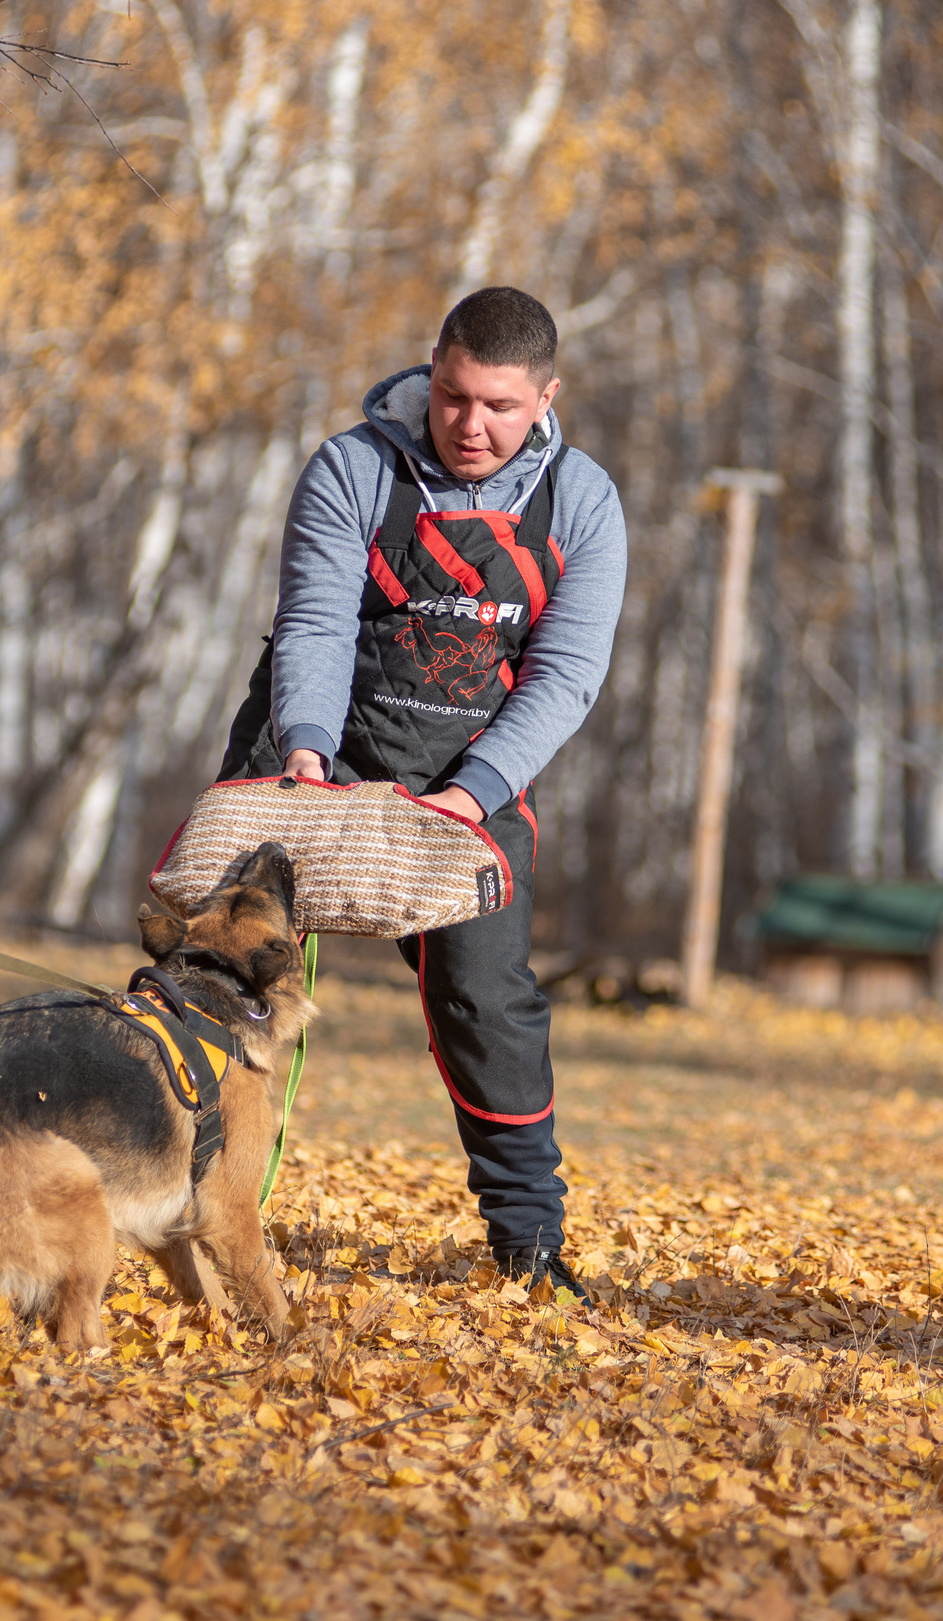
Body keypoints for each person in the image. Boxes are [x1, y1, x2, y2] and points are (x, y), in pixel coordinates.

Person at [217, 286, 627, 1301]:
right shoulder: (354, 465)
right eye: (451, 396)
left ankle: (527, 1241)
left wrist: (473, 791)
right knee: (219, 971)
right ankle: (181, 1200)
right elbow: (311, 622)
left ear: (545, 398)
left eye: (498, 405)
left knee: (487, 1001)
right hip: (321, 745)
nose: (470, 424)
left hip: (475, 770)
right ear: (429, 368)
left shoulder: (582, 501)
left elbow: (565, 675)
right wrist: (305, 754)